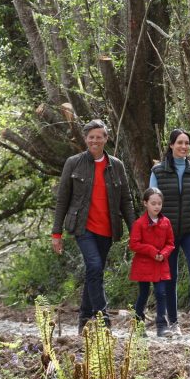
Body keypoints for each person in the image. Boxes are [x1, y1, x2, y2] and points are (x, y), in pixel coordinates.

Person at [52, 120, 135, 333]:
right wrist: (56, 233)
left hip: (108, 229)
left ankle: (83, 320)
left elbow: (126, 200)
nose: (95, 140)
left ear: (106, 138)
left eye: (99, 136)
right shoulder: (74, 163)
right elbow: (62, 199)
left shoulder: (116, 165)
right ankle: (103, 319)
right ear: (86, 139)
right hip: (83, 227)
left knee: (94, 272)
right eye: (91, 137)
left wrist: (134, 229)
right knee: (95, 267)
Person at [150, 129, 190, 333]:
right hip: (166, 232)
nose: (184, 147)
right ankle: (173, 322)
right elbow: (152, 203)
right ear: (171, 145)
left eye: (187, 143)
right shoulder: (158, 171)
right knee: (170, 275)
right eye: (179, 143)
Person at [129, 187, 175, 338]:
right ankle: (138, 324)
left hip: (160, 264)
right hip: (143, 265)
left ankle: (162, 325)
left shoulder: (166, 222)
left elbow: (171, 243)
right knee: (143, 294)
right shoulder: (139, 223)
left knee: (161, 293)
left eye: (159, 203)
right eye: (153, 203)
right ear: (145, 203)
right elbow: (134, 244)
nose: (156, 206)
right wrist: (150, 250)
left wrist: (163, 253)